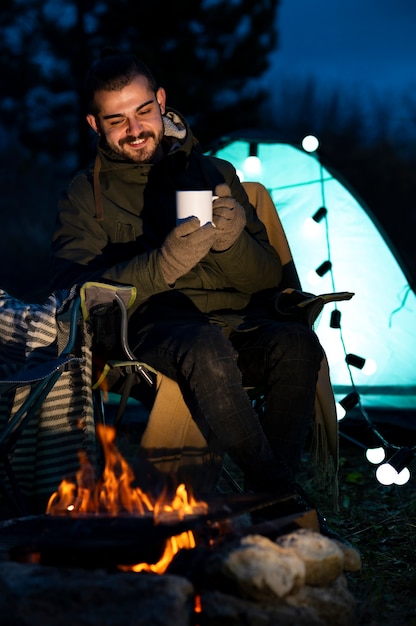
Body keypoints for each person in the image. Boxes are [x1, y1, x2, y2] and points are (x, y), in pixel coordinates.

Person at [50, 49, 324, 516]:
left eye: (142, 111)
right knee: (203, 346)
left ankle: (267, 496)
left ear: (160, 101)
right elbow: (77, 294)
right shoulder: (84, 195)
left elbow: (265, 280)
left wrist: (233, 242)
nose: (135, 130)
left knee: (297, 344)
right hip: (149, 332)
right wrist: (162, 266)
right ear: (95, 125)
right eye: (116, 121)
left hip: (234, 321)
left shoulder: (216, 174)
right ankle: (278, 495)